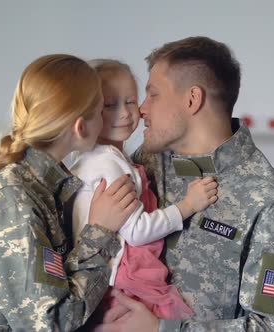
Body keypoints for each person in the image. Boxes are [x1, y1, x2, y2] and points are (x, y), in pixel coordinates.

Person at [98, 37, 274, 331]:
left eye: (153, 95)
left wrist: (161, 329)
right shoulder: (141, 167)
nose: (141, 109)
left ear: (192, 99)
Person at [0, 54, 141, 332]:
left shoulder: (49, 189)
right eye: (103, 108)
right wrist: (100, 231)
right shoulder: (11, 198)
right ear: (81, 126)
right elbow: (50, 323)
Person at [70, 59, 218, 322]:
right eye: (109, 105)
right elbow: (137, 232)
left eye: (130, 101)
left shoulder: (97, 159)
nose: (125, 113)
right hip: (126, 281)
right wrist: (188, 206)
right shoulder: (109, 163)